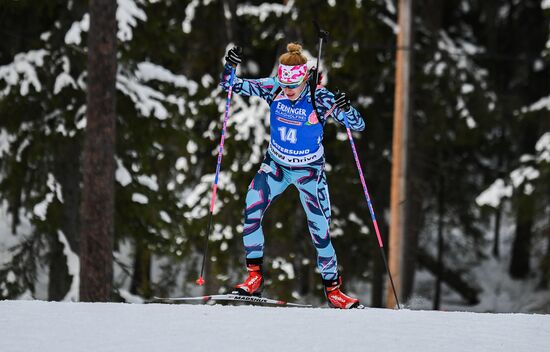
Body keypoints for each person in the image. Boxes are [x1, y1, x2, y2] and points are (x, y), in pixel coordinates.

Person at [220, 43, 365, 309]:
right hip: (275, 166)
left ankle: (334, 290)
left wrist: (346, 107)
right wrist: (229, 66)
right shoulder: (274, 87)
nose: (287, 90)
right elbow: (230, 85)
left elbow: (357, 124)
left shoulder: (320, 98)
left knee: (320, 231)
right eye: (285, 84)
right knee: (251, 206)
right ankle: (254, 277)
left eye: (293, 85)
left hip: (309, 172)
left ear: (305, 78)